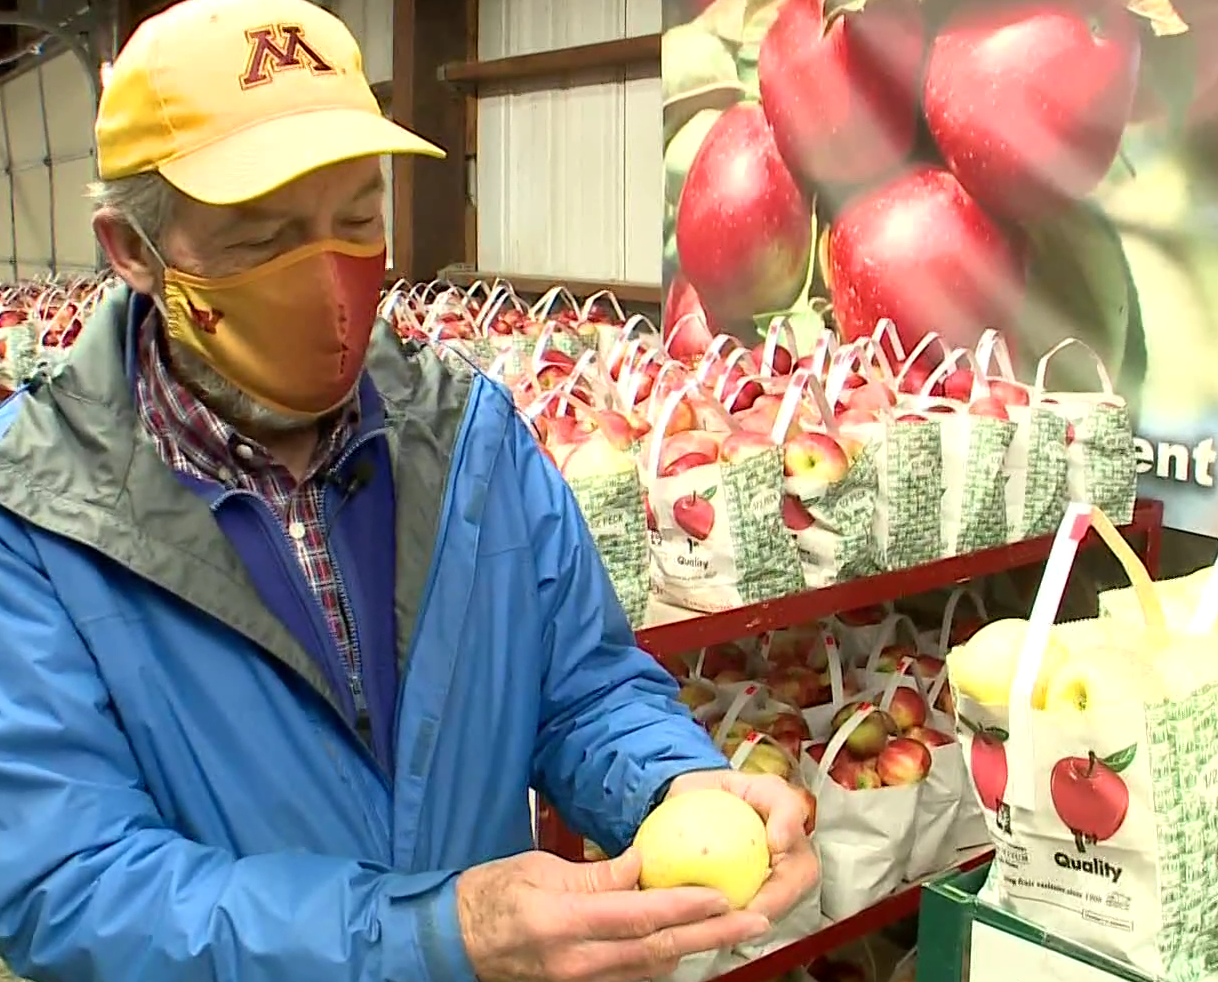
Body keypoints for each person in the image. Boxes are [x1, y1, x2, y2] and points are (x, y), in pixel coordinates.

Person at [0, 0, 818, 978]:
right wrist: (434, 933)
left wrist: (674, 785)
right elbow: (70, 883)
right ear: (132, 250)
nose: (328, 277)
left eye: (358, 219)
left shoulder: (470, 438)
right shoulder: (37, 519)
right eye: (264, 239)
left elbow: (583, 686)